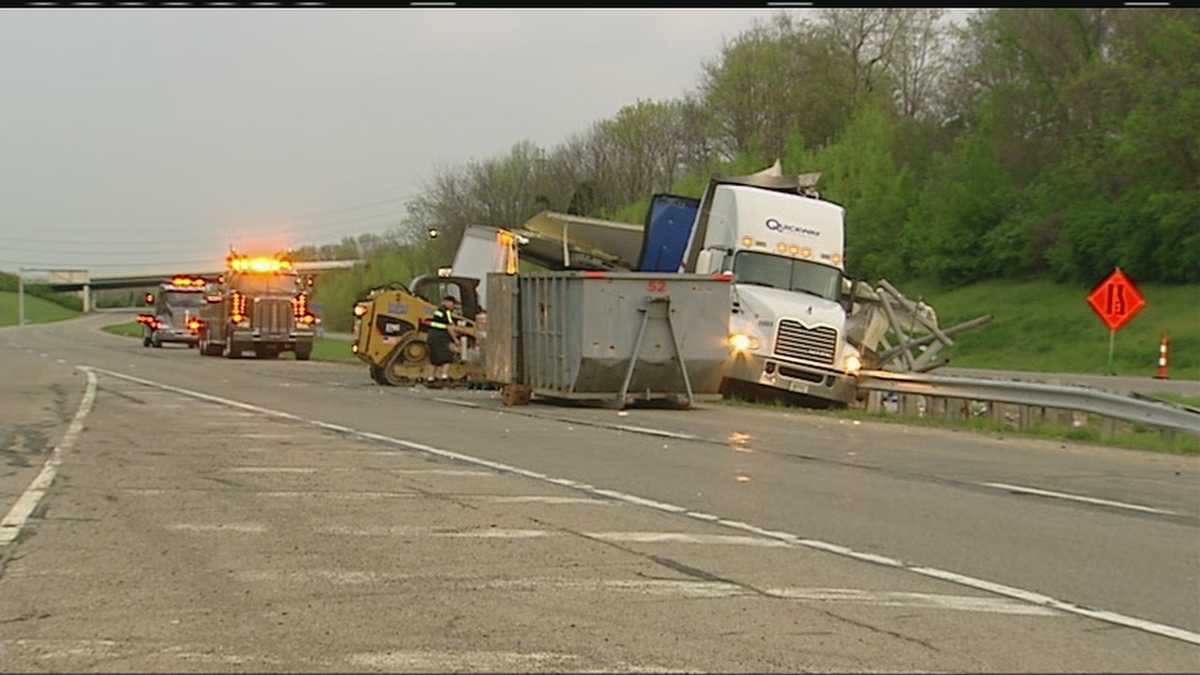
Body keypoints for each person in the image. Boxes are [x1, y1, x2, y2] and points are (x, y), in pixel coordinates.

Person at [425, 295, 461, 387]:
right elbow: (450, 327)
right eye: (453, 304)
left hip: (431, 335)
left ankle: (430, 379)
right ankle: (444, 378)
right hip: (440, 336)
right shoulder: (447, 312)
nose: (453, 306)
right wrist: (455, 339)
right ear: (447, 302)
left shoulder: (437, 311)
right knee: (447, 357)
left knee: (434, 358)